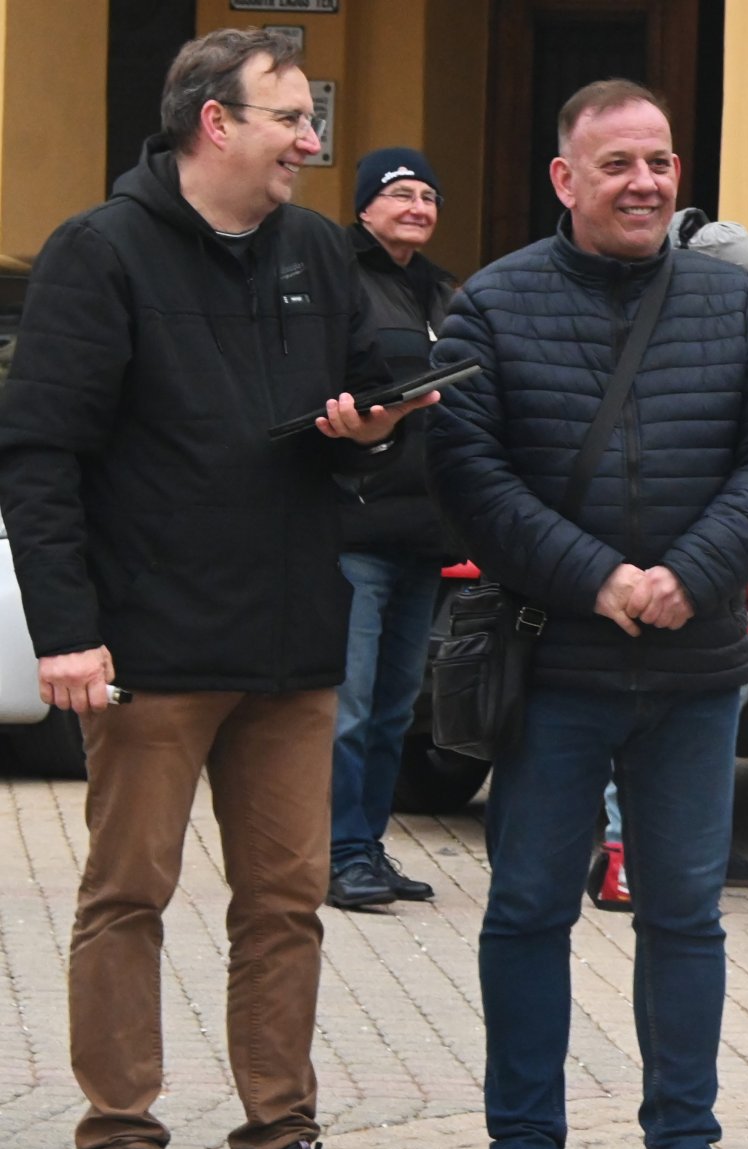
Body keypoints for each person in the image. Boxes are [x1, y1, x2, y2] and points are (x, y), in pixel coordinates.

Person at [0, 27, 436, 1149]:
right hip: (146, 649)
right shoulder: (101, 252)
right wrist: (71, 632)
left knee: (286, 902)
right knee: (127, 895)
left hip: (295, 641)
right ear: (214, 125)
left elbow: (374, 381)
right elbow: (41, 458)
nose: (312, 141)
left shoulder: (310, 250)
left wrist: (377, 420)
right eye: (292, 118)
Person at [426, 80, 748, 1149]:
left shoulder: (730, 302)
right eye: (617, 164)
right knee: (530, 910)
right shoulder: (493, 305)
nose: (644, 182)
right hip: (556, 667)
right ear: (565, 179)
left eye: (660, 161)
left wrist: (693, 571)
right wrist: (595, 576)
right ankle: (521, 1148)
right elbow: (469, 475)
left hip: (695, 670)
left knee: (685, 915)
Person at [591, 206, 748, 901]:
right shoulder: (653, 349)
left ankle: (679, 852)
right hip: (639, 584)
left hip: (703, 587)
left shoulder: (734, 354)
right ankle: (621, 856)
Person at [326, 146, 461, 910]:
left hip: (424, 532)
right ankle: (339, 851)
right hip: (358, 524)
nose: (418, 207)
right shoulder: (340, 277)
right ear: (366, 205)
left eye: (428, 196)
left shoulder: (440, 291)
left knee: (393, 708)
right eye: (402, 194)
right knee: (347, 706)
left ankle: (367, 845)